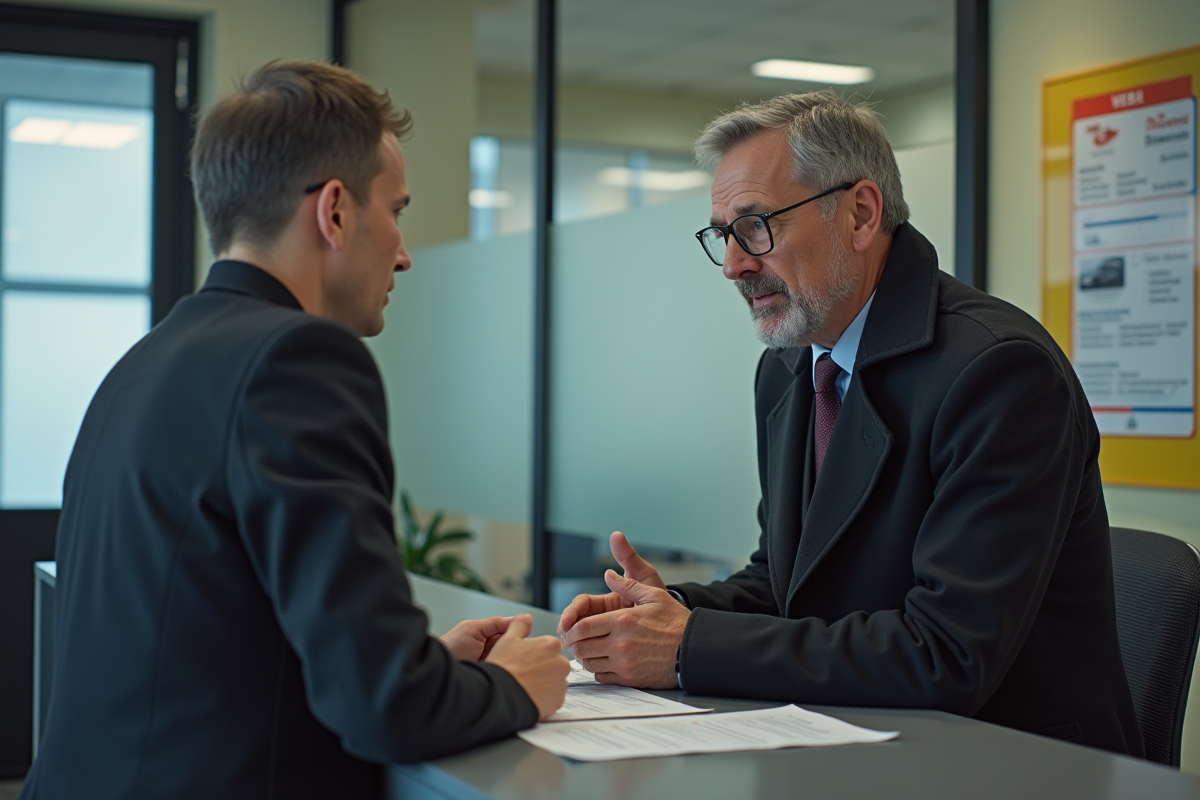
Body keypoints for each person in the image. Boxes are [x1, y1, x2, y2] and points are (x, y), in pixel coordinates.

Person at [22, 61, 568, 800]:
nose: (403, 252)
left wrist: (427, 666)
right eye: (396, 211)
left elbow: (219, 635)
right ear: (336, 211)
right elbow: (388, 712)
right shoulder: (299, 360)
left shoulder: (145, 359)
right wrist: (510, 687)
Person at [558, 92, 1143, 756]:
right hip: (857, 742)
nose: (734, 264)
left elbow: (947, 654)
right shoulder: (789, 369)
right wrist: (668, 612)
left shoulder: (999, 372)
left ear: (860, 214)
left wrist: (691, 646)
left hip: (1012, 762)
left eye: (756, 225)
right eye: (723, 233)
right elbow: (787, 583)